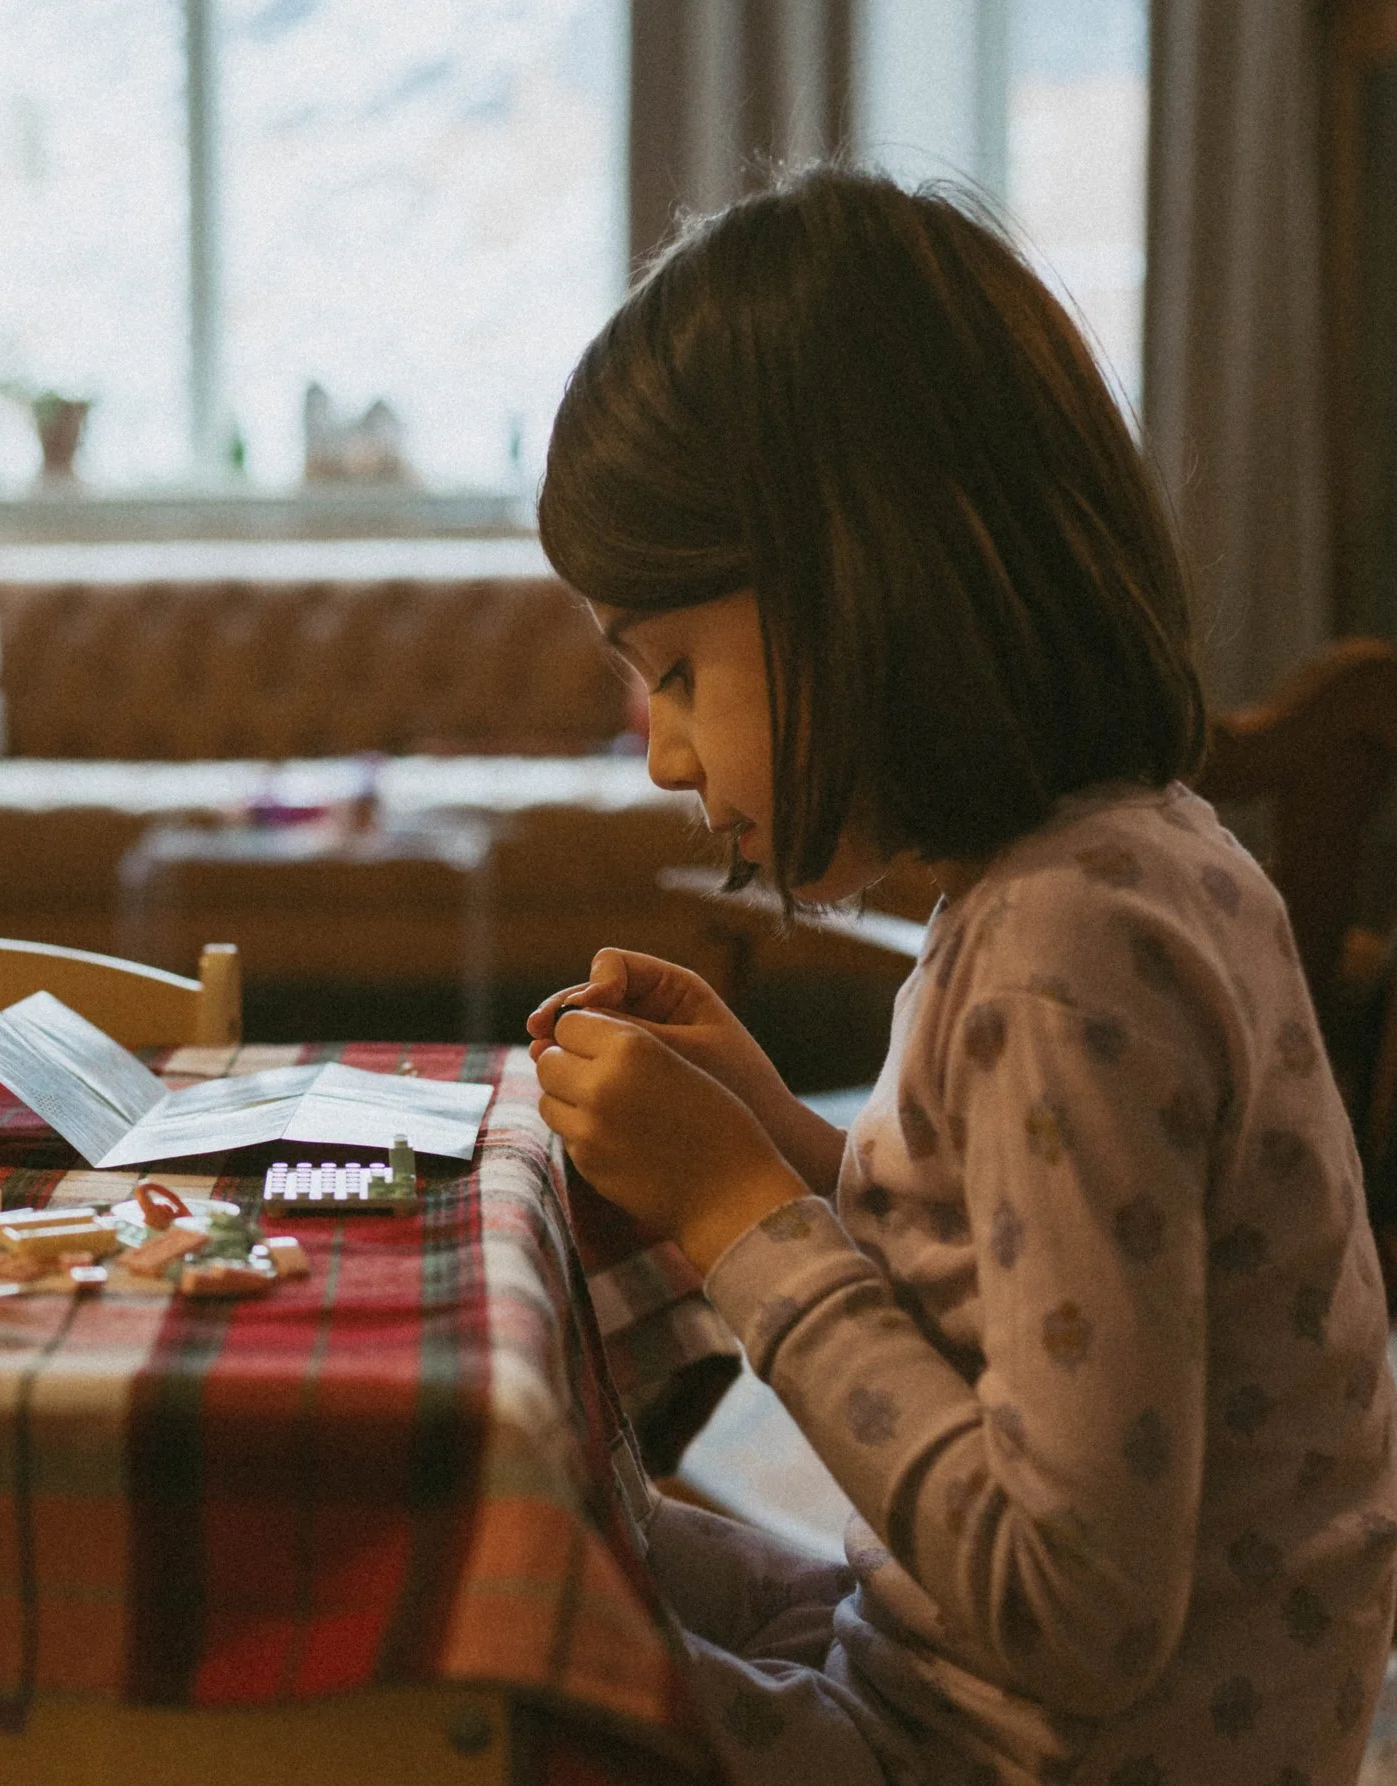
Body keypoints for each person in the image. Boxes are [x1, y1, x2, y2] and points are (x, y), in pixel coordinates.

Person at [527, 165, 1397, 1785]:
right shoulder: (1131, 863)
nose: (659, 753)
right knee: (551, 1548)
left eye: (677, 672)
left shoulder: (1062, 953)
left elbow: (1074, 1605)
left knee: (494, 1684)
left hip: (1032, 1748)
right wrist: (782, 1134)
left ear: (858, 582)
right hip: (1020, 1703)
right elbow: (1025, 1295)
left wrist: (733, 1211)